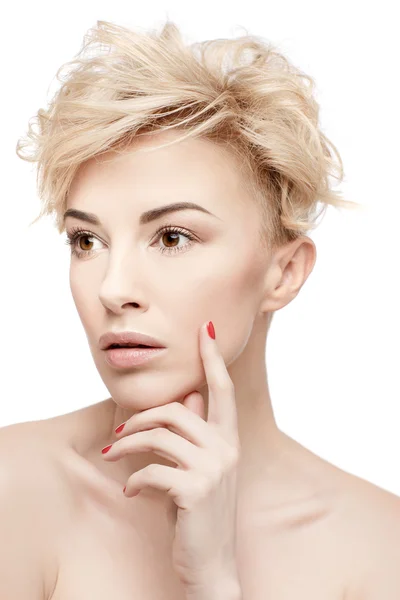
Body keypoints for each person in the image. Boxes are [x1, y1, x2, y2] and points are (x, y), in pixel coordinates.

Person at [2, 18, 399, 600]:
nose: (114, 289)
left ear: (283, 273)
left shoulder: (378, 550)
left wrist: (213, 581)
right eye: (87, 241)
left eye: (172, 237)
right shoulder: (15, 487)